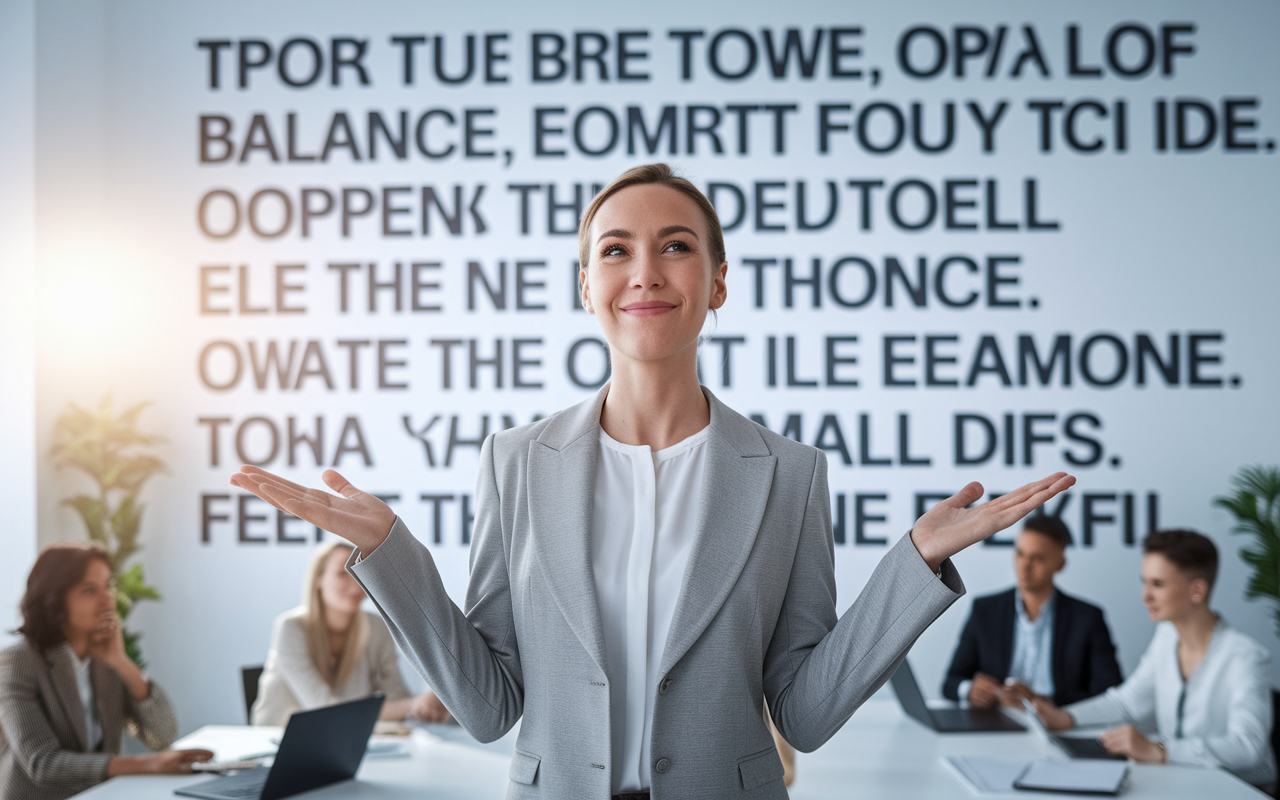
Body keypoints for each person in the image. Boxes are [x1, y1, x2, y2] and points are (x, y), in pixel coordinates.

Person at [232, 163, 1074, 799]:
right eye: (616, 250)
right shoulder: (516, 462)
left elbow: (805, 715)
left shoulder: (790, 474)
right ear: (586, 287)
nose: (645, 271)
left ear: (716, 285)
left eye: (676, 246)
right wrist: (391, 552)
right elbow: (490, 707)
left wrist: (913, 564)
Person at [1032, 529, 1276, 788]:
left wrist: (1160, 750)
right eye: (1144, 582)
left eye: (1157, 584)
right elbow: (1127, 702)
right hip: (1183, 780)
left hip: (1239, 789)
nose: (1145, 595)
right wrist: (1064, 717)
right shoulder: (1167, 636)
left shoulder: (1246, 657)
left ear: (1197, 591)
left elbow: (1248, 746)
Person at [0, 542, 213, 800]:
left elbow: (162, 735)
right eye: (90, 591)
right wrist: (151, 764)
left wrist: (122, 662)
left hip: (101, 795)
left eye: (108, 587)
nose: (107, 600)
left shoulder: (105, 659)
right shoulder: (19, 661)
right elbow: (42, 764)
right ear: (54, 599)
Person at [252, 542, 449, 726]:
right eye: (341, 574)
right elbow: (323, 709)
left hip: (344, 738)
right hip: (277, 739)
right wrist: (413, 704)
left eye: (358, 574)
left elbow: (395, 694)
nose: (355, 584)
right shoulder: (290, 627)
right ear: (318, 579)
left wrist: (423, 704)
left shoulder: (376, 627)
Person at [942, 516, 1122, 709]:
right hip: (995, 723)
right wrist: (969, 689)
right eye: (1020, 554)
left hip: (1061, 724)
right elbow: (950, 683)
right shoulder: (985, 610)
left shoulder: (1087, 618)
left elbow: (1110, 691)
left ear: (1060, 563)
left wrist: (1042, 701)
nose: (1025, 565)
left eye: (1037, 558)